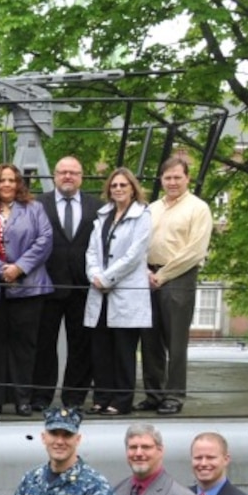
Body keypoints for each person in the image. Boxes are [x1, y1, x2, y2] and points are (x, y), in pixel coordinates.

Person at [0, 163, 52, 415]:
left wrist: (19, 268)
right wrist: (1, 269)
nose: (7, 185)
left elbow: (44, 240)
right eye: (2, 180)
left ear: (18, 183)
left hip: (29, 288)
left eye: (12, 180)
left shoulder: (34, 209)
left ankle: (23, 399)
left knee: (25, 346)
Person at [140, 156, 212, 415]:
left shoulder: (198, 208)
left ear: (187, 178)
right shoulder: (152, 208)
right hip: (148, 275)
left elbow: (195, 250)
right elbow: (139, 242)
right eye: (167, 178)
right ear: (161, 179)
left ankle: (174, 395)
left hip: (179, 276)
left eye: (177, 177)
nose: (172, 182)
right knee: (150, 340)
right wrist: (146, 271)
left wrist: (163, 275)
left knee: (176, 341)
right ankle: (154, 394)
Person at [31, 156, 98, 411]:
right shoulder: (38, 204)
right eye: (62, 172)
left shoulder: (97, 206)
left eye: (73, 172)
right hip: (47, 284)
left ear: (81, 176)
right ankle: (40, 397)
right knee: (44, 345)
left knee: (81, 345)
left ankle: (74, 398)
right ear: (55, 176)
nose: (68, 176)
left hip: (83, 286)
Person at [84, 168, 153, 415]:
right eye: (114, 185)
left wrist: (107, 277)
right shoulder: (103, 216)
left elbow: (134, 255)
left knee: (124, 351)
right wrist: (94, 274)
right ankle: (101, 397)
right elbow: (91, 250)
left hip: (126, 292)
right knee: (100, 350)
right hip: (99, 293)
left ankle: (122, 400)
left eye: (124, 185)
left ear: (133, 188)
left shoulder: (143, 215)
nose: (119, 189)